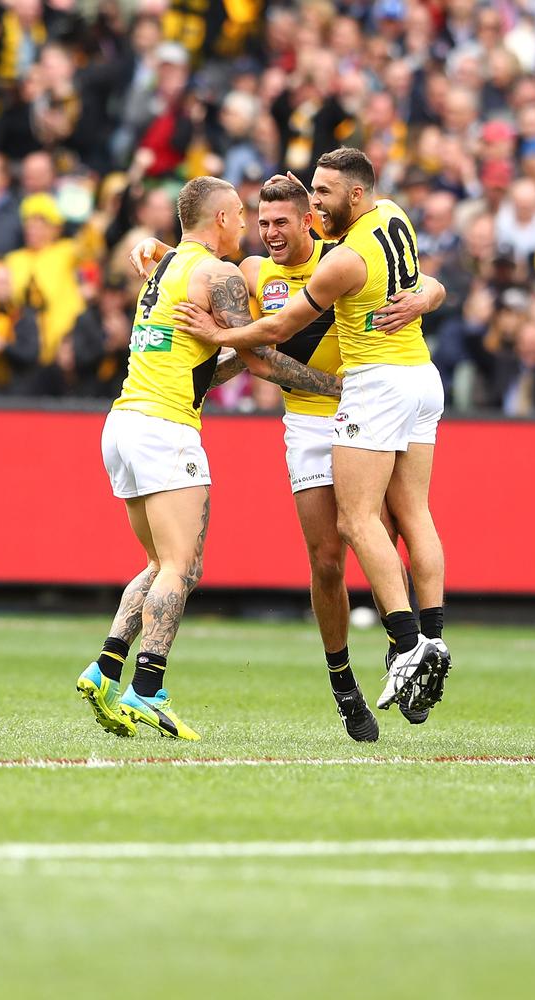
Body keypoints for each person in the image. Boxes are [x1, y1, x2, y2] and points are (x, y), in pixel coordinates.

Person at [130, 177, 446, 738]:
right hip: (309, 420)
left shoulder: (339, 254)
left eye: (282, 222)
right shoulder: (253, 274)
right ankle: (343, 683)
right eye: (263, 222)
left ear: (310, 221)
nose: (271, 233)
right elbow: (257, 356)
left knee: (385, 528)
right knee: (327, 557)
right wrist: (156, 250)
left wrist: (427, 295)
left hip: (368, 401)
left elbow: (420, 277)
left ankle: (408, 651)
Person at [76, 175, 342, 742]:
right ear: (220, 218)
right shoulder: (218, 273)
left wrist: (230, 348)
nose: (247, 226)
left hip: (123, 421)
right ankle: (147, 690)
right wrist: (338, 388)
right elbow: (263, 356)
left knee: (156, 563)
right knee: (183, 567)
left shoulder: (167, 266)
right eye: (242, 215)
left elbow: (222, 360)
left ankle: (105, 668)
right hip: (166, 426)